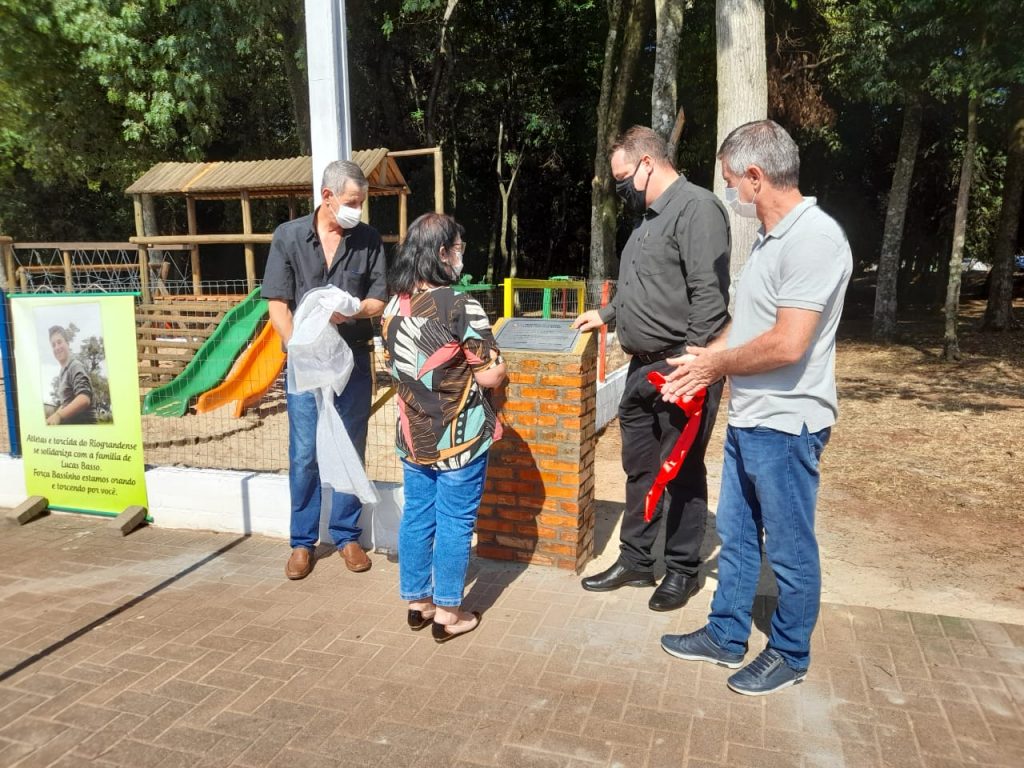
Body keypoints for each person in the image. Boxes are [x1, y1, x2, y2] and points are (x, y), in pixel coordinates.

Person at [659, 120, 852, 696]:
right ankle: (725, 634)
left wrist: (716, 367)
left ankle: (790, 653)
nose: (730, 195)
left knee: (790, 549)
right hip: (752, 418)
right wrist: (703, 360)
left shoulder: (814, 239)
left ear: (755, 176)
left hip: (788, 424)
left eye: (730, 183)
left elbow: (788, 343)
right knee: (739, 537)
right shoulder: (772, 239)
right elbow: (750, 329)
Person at [572, 126, 731, 611]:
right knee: (640, 467)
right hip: (640, 367)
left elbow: (709, 293)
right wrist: (606, 314)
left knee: (681, 470)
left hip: (680, 364)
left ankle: (682, 569)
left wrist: (693, 360)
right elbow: (641, 288)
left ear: (647, 164)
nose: (621, 186)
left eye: (623, 176)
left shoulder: (697, 208)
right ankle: (637, 559)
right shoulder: (647, 219)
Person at [381, 213, 505, 643]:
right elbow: (490, 375)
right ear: (441, 253)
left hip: (414, 436)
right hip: (459, 438)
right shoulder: (460, 304)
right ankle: (449, 612)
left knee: (417, 515)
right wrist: (500, 365)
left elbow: (390, 364)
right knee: (455, 521)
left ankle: (418, 603)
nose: (461, 255)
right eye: (458, 248)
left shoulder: (393, 305)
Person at [261, 160, 387, 580]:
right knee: (303, 452)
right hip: (304, 364)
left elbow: (379, 299)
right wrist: (299, 345)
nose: (358, 210)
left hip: (351, 361)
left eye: (362, 202)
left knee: (350, 444)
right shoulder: (289, 237)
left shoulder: (368, 239)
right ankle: (302, 542)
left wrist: (352, 309)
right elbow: (277, 301)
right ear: (326, 196)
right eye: (352, 202)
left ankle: (347, 535)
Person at [45, 325, 96, 425]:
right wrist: (53, 417)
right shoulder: (63, 372)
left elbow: (84, 398)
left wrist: (59, 416)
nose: (57, 347)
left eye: (59, 342)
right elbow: (66, 403)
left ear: (67, 343)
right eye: (53, 345)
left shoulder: (75, 366)